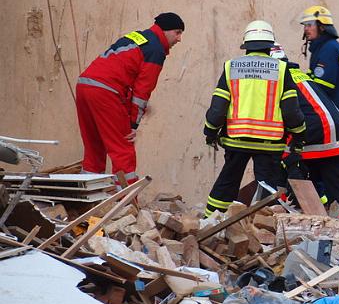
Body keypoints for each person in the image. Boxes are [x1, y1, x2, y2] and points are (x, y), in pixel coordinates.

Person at [203, 21, 306, 218]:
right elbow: (292, 111)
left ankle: (211, 222)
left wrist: (210, 131)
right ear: (270, 45)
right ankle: (263, 230)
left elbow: (218, 108)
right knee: (266, 189)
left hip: (236, 139)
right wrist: (299, 135)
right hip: (270, 144)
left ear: (246, 44)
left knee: (227, 181)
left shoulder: (231, 67)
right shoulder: (282, 70)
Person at [76, 12, 184, 183]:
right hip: (106, 90)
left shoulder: (138, 38)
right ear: (165, 30)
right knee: (123, 148)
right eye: (177, 32)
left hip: (84, 86)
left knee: (94, 147)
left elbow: (123, 74)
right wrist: (132, 124)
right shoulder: (155, 50)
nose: (179, 39)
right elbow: (142, 92)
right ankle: (127, 203)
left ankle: (87, 199)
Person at [270, 43, 339, 221]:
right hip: (338, 132)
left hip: (314, 131)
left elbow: (287, 116)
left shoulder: (279, 79)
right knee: (338, 188)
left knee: (279, 159)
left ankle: (282, 210)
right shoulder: (300, 75)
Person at [300, 5, 339, 122]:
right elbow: (312, 79)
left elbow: (321, 88)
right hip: (333, 114)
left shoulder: (329, 49)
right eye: (305, 26)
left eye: (309, 25)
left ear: (322, 27)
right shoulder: (321, 48)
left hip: (338, 115)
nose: (305, 29)